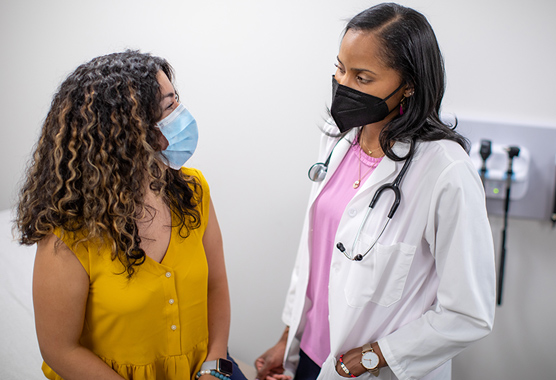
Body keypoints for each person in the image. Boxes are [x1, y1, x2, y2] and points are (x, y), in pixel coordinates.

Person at [255, 3, 495, 380]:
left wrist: (374, 357)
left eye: (363, 78)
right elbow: (317, 260)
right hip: (311, 354)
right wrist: (289, 339)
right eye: (340, 68)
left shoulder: (446, 172)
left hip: (369, 368)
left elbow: (469, 312)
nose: (344, 85)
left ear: (410, 83)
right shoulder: (336, 139)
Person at [15, 50, 246, 380]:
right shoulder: (68, 235)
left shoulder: (194, 190)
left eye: (176, 99)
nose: (182, 115)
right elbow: (59, 349)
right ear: (126, 131)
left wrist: (214, 365)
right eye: (169, 107)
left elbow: (216, 285)